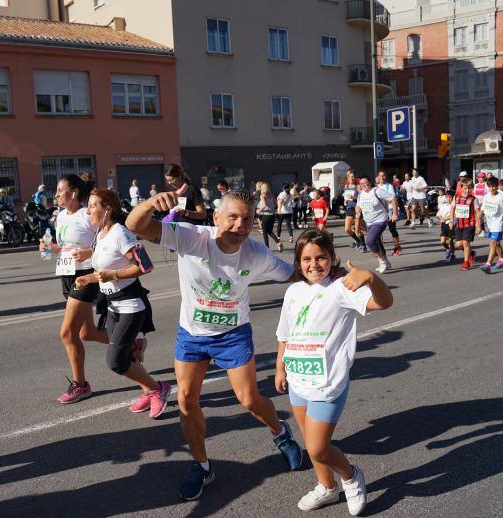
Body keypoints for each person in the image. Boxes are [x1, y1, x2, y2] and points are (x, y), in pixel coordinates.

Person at [127, 188, 304, 501]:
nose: (239, 225)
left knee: (249, 400)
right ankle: (202, 466)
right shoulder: (191, 237)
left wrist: (332, 275)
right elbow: (136, 226)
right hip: (192, 334)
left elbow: (292, 274)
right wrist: (150, 204)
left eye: (247, 219)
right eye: (232, 217)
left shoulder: (256, 254)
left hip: (233, 334)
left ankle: (281, 434)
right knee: (185, 399)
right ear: (216, 217)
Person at [275, 229, 392, 516]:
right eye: (306, 259)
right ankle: (326, 488)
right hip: (298, 379)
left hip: (328, 382)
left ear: (332, 258)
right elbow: (285, 334)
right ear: (298, 262)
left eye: (321, 258)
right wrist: (280, 367)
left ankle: (351, 476)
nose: (314, 264)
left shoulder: (341, 288)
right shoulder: (294, 291)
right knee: (310, 442)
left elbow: (384, 302)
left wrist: (372, 278)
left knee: (317, 448)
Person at [73, 189, 169, 418]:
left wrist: (115, 276)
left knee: (116, 362)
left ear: (107, 210)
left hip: (131, 306)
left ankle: (158, 389)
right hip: (112, 305)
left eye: (93, 206)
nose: (88, 211)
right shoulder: (101, 233)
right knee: (126, 356)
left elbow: (145, 266)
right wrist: (88, 277)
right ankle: (146, 386)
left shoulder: (121, 233)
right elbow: (104, 266)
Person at [39, 175, 115, 404]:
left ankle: (81, 385)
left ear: (73, 193)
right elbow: (65, 247)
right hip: (66, 274)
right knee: (86, 333)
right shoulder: (60, 216)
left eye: (61, 190)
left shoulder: (87, 215)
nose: (56, 194)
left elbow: (106, 240)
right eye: (56, 190)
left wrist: (89, 253)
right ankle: (131, 344)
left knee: (67, 333)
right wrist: (51, 248)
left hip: (85, 277)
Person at [355, 175, 397, 273]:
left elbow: (393, 199)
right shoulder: (361, 194)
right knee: (377, 241)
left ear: (370, 182)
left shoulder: (376, 191)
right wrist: (358, 212)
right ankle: (386, 261)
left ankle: (381, 261)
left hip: (380, 220)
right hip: (369, 222)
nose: (364, 185)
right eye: (362, 184)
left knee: (370, 241)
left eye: (366, 183)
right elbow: (358, 205)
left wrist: (394, 214)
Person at [478, 176, 503, 272]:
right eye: (490, 186)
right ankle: (501, 259)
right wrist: (478, 221)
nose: (492, 188)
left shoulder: (501, 197)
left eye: (494, 186)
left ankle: (488, 263)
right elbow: (482, 209)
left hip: (498, 223)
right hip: (490, 223)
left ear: (497, 186)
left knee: (493, 243)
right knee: (497, 243)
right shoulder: (486, 196)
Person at [450, 178, 481, 271]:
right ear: (461, 188)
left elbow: (478, 212)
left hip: (470, 223)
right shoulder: (456, 197)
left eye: (469, 188)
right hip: (459, 224)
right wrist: (451, 220)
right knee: (459, 245)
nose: (467, 190)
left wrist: (478, 225)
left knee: (466, 243)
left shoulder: (473, 199)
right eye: (465, 188)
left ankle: (466, 262)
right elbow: (452, 209)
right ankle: (470, 254)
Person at [376, 171, 402, 255]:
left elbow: (393, 198)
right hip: (380, 210)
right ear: (378, 177)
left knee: (392, 229)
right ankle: (380, 248)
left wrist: (394, 213)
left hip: (390, 209)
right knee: (378, 230)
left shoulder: (389, 186)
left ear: (385, 177)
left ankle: (397, 246)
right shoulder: (376, 187)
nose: (382, 177)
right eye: (380, 176)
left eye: (383, 176)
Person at [342, 171, 365, 251]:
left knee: (357, 230)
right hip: (349, 209)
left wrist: (353, 197)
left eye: (353, 177)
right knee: (347, 229)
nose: (351, 178)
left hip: (357, 209)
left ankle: (363, 246)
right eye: (350, 177)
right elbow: (345, 196)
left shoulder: (358, 186)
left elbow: (361, 197)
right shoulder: (346, 187)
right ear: (348, 178)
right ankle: (358, 241)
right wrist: (345, 201)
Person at [258, 182, 282, 252]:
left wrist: (259, 210)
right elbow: (276, 203)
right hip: (272, 215)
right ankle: (278, 242)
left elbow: (264, 205)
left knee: (265, 232)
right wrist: (274, 208)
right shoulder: (271, 195)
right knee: (269, 231)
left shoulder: (262, 196)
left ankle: (267, 248)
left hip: (266, 215)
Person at [437, 189, 456, 262]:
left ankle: (452, 254)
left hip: (451, 224)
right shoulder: (443, 205)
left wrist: (447, 217)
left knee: (451, 240)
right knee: (442, 241)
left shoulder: (454, 205)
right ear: (445, 197)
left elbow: (454, 215)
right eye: (447, 197)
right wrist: (441, 218)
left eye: (450, 197)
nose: (449, 199)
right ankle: (448, 249)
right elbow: (438, 215)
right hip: (444, 224)